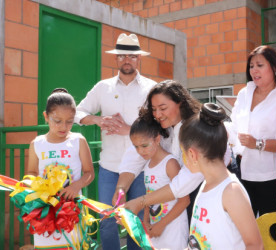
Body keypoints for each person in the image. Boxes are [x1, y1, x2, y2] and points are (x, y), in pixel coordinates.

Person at [74, 33, 156, 250]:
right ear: (116, 59)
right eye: (121, 56)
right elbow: (77, 112)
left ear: (139, 59)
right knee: (108, 221)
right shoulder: (103, 87)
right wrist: (97, 119)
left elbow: (161, 125)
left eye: (131, 55)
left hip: (142, 168)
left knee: (135, 221)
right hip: (110, 167)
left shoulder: (152, 88)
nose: (126, 60)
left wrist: (129, 130)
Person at [113, 80, 204, 221]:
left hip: (200, 194)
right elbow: (135, 155)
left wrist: (142, 202)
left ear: (180, 102)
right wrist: (121, 189)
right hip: (174, 199)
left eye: (163, 108)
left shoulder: (196, 129)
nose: (158, 114)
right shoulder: (159, 126)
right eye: (154, 109)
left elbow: (188, 179)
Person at [179, 103, 263, 249]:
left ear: (192, 154)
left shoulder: (231, 192)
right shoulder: (206, 185)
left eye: (183, 152)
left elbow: (255, 245)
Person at [227, 45, 276, 217]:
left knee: (268, 230)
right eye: (251, 66)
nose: (254, 70)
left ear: (274, 68)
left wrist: (258, 144)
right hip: (240, 171)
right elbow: (233, 125)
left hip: (270, 178)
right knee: (243, 230)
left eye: (260, 65)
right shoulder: (244, 93)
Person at [27, 88, 95, 249]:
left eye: (70, 121)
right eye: (57, 121)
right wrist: (35, 187)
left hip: (71, 210)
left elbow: (89, 172)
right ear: (46, 116)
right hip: (45, 210)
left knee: (71, 244)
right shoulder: (37, 143)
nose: (63, 126)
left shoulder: (78, 140)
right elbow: (31, 172)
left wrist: (76, 186)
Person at [129, 115, 189, 250]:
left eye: (144, 145)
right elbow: (149, 196)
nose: (140, 151)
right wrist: (146, 222)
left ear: (157, 139)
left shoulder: (170, 163)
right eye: (136, 147)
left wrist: (161, 225)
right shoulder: (148, 165)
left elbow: (184, 200)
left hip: (173, 230)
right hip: (155, 230)